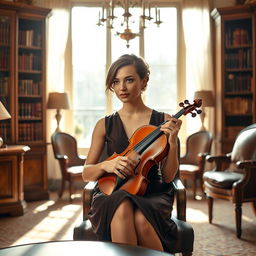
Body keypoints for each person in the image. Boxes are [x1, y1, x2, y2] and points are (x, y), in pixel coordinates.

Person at [82, 54, 182, 252]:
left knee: (141, 220)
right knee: (122, 206)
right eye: (116, 81)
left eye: (129, 80)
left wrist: (172, 143)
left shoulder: (163, 120)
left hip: (152, 190)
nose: (122, 88)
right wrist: (106, 165)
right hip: (113, 188)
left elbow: (169, 176)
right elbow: (86, 173)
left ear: (144, 81)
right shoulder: (104, 124)